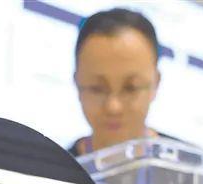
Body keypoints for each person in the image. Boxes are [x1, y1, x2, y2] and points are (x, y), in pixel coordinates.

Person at [68, 8, 171, 157]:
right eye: (97, 88)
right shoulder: (51, 169)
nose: (113, 107)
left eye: (131, 88)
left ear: (156, 83)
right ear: (77, 83)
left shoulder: (192, 167)